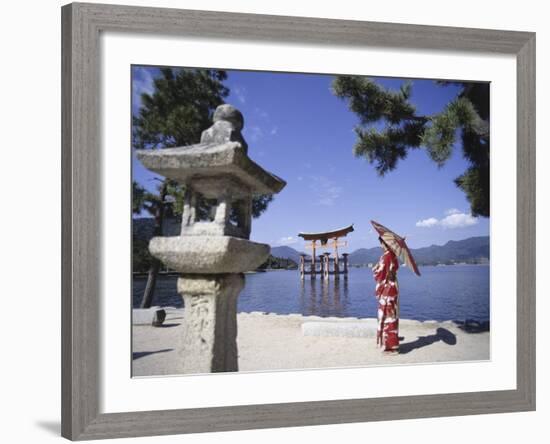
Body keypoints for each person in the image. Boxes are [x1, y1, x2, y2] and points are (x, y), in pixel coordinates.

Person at [372, 237, 400, 353]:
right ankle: (392, 345)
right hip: (393, 287)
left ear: (385, 243)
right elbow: (394, 269)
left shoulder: (385, 256)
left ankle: (388, 346)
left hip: (386, 290)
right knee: (392, 316)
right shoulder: (393, 255)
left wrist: (375, 269)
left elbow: (380, 274)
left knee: (386, 317)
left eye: (382, 243)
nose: (381, 246)